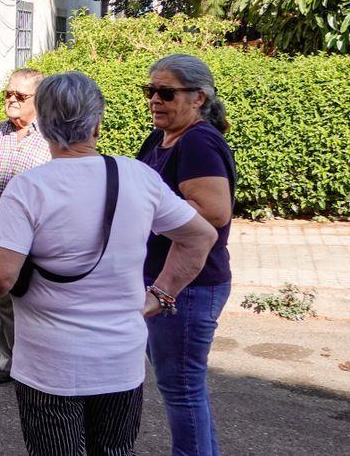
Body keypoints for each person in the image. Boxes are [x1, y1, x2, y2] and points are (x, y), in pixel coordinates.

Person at [0, 71, 218, 456]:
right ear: (98, 124)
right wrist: (161, 293)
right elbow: (201, 235)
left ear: (44, 126)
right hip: (120, 362)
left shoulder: (29, 188)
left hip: (49, 368)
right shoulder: (138, 176)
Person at [137, 54, 237, 456]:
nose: (155, 100)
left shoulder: (198, 140)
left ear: (199, 97)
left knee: (181, 389)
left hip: (190, 285)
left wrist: (145, 213)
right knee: (182, 386)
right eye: (151, 91)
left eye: (166, 92)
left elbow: (214, 213)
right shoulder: (160, 137)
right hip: (167, 278)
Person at [0, 68, 51, 385]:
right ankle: (9, 362)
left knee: (36, 302)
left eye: (20, 96)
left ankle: (39, 364)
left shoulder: (51, 136)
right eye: (8, 93)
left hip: (37, 234)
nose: (12, 100)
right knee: (6, 301)